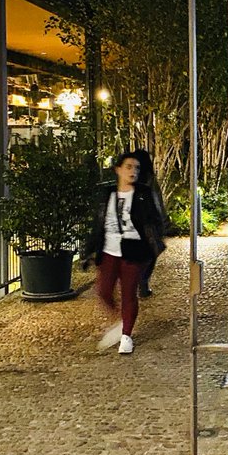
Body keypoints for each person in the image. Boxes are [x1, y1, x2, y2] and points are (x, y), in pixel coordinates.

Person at [85, 152, 164, 355]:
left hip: (133, 249)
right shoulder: (107, 194)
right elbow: (98, 224)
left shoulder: (144, 193)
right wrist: (88, 250)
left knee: (129, 293)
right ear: (118, 170)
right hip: (109, 249)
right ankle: (122, 321)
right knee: (103, 291)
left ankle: (126, 335)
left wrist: (153, 245)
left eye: (136, 168)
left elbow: (154, 220)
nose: (133, 171)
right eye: (128, 167)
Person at [131, 148, 166, 298]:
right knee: (151, 253)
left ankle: (137, 282)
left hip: (132, 223)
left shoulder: (130, 178)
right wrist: (162, 219)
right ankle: (142, 282)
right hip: (148, 223)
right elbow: (157, 200)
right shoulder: (149, 179)